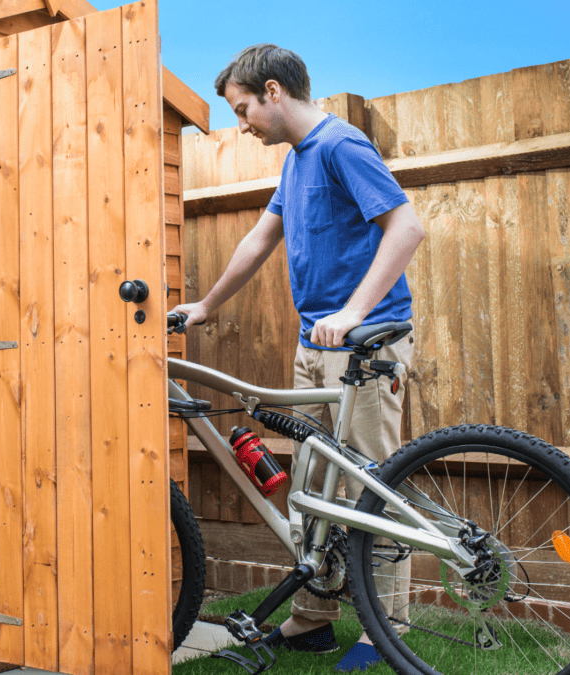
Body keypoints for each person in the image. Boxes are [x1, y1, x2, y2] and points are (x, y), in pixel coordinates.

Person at [172, 44, 425, 672]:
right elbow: (261, 239)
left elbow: (407, 227)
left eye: (243, 110)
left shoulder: (341, 146)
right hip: (315, 346)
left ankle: (384, 631)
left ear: (274, 91)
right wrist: (205, 305)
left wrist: (354, 313)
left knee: (371, 486)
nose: (242, 124)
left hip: (366, 344)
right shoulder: (296, 163)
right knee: (312, 491)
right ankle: (312, 619)